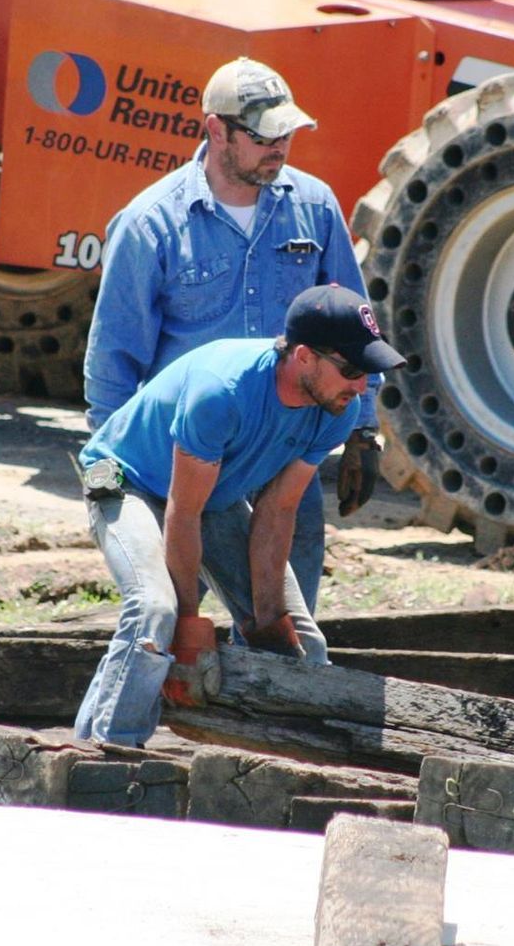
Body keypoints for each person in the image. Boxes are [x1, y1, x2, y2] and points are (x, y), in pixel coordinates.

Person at [83, 57, 382, 614]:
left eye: (287, 133)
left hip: (285, 444)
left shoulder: (313, 209)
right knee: (171, 620)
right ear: (215, 129)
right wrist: (113, 467)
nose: (280, 146)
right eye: (265, 134)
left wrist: (364, 430)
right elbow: (113, 356)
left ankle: (283, 691)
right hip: (192, 454)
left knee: (286, 622)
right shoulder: (152, 223)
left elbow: (355, 324)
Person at [73, 284, 406, 747]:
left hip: (211, 495)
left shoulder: (335, 409)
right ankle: (106, 753)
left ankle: (288, 759)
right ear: (304, 357)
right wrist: (189, 626)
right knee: (156, 612)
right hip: (130, 483)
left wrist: (267, 620)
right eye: (351, 369)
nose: (359, 387)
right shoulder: (222, 392)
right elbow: (182, 513)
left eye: (369, 373)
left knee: (301, 645)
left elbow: (278, 510)